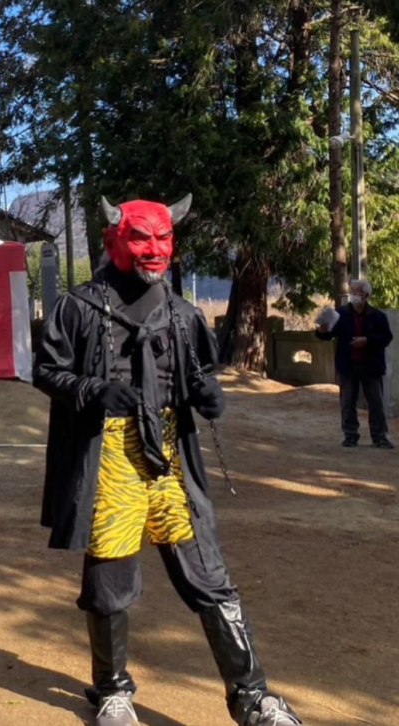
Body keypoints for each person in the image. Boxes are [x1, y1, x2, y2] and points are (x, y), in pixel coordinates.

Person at [34, 196, 302, 726]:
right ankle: (112, 691)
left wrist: (209, 398)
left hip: (171, 457)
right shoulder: (78, 307)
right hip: (111, 455)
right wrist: (91, 390)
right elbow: (45, 370)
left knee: (208, 576)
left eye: (163, 239)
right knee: (110, 577)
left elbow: (201, 376)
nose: (154, 250)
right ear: (114, 240)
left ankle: (254, 698)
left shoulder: (182, 314)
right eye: (141, 238)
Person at [315, 279, 394, 449]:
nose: (354, 294)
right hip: (347, 365)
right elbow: (327, 335)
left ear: (366, 295)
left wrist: (367, 340)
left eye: (357, 291)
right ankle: (350, 435)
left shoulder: (378, 316)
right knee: (347, 402)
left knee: (376, 403)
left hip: (371, 366)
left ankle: (379, 436)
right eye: (352, 291)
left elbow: (387, 337)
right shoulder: (340, 314)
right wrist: (321, 330)